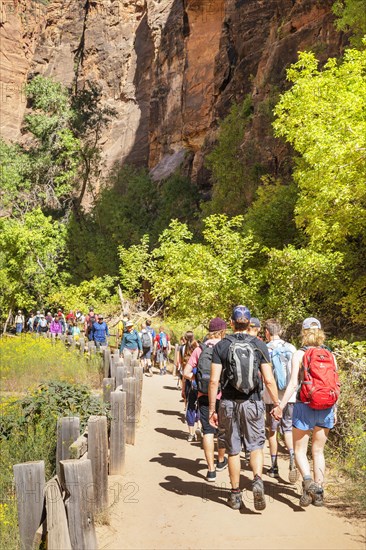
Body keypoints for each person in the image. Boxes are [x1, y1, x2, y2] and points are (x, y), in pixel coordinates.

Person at [209, 305, 280, 511]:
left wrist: (213, 408)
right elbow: (268, 379)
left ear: (231, 323)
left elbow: (214, 381)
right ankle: (257, 479)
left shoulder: (221, 346)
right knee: (256, 445)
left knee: (233, 449)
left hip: (229, 403)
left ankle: (235, 494)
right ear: (249, 323)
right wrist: (276, 403)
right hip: (253, 402)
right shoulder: (259, 344)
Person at [271, 317, 338, 508]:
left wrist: (280, 406)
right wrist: (335, 410)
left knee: (300, 450)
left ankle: (307, 481)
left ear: (303, 332)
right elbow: (336, 384)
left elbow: (293, 384)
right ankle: (319, 492)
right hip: (326, 407)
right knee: (318, 451)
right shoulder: (330, 355)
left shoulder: (299, 354)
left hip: (304, 405)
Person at [184, 317, 228, 481]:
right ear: (223, 331)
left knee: (207, 431)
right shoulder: (226, 347)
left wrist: (195, 379)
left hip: (203, 395)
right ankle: (221, 460)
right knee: (222, 430)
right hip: (223, 396)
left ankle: (210, 471)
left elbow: (186, 372)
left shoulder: (199, 349)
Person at [263, 318, 298, 482]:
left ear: (267, 332)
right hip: (290, 397)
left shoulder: (265, 348)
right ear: (281, 331)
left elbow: (262, 376)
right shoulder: (291, 348)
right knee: (288, 428)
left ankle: (274, 466)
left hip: (272, 396)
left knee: (272, 430)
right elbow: (296, 376)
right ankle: (292, 457)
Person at [180, 331, 200, 441]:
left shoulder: (183, 351)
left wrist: (183, 389)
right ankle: (200, 427)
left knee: (190, 407)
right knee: (201, 406)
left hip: (188, 383)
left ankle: (191, 433)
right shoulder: (199, 352)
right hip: (199, 383)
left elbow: (184, 373)